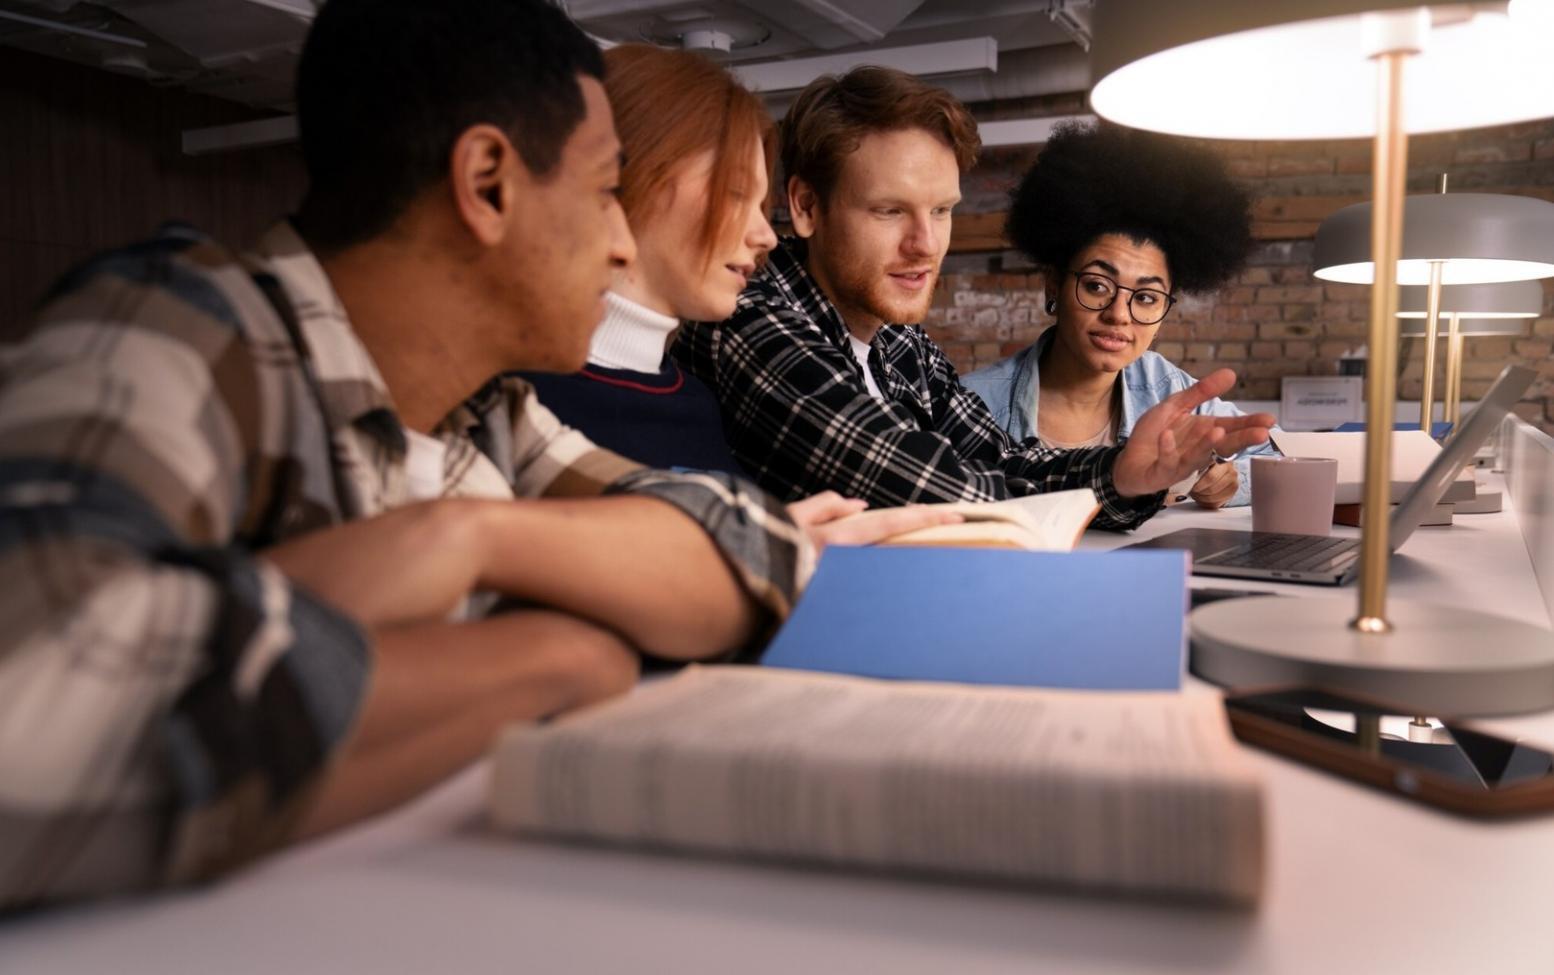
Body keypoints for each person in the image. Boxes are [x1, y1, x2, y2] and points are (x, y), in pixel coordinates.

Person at [0, 0, 944, 912]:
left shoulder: (484, 412)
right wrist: (557, 653)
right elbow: (33, 719)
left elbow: (746, 547)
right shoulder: (173, 333)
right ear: (488, 182)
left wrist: (460, 538)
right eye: (604, 191)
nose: (620, 243)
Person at [672, 66, 1274, 528]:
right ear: (805, 207)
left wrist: (1121, 474)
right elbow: (926, 486)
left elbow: (1000, 460)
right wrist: (1111, 485)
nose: (925, 245)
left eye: (941, 211)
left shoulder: (901, 342)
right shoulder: (749, 315)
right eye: (889, 211)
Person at [962, 123, 1277, 508]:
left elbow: (1274, 460)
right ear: (1053, 285)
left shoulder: (1167, 389)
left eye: (1145, 297)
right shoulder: (974, 402)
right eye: (1096, 286)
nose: (1118, 315)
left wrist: (1227, 481)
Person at [522, 43, 778, 473]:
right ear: (633, 174)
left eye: (761, 204)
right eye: (734, 194)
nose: (766, 236)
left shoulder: (694, 402)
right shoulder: (520, 402)